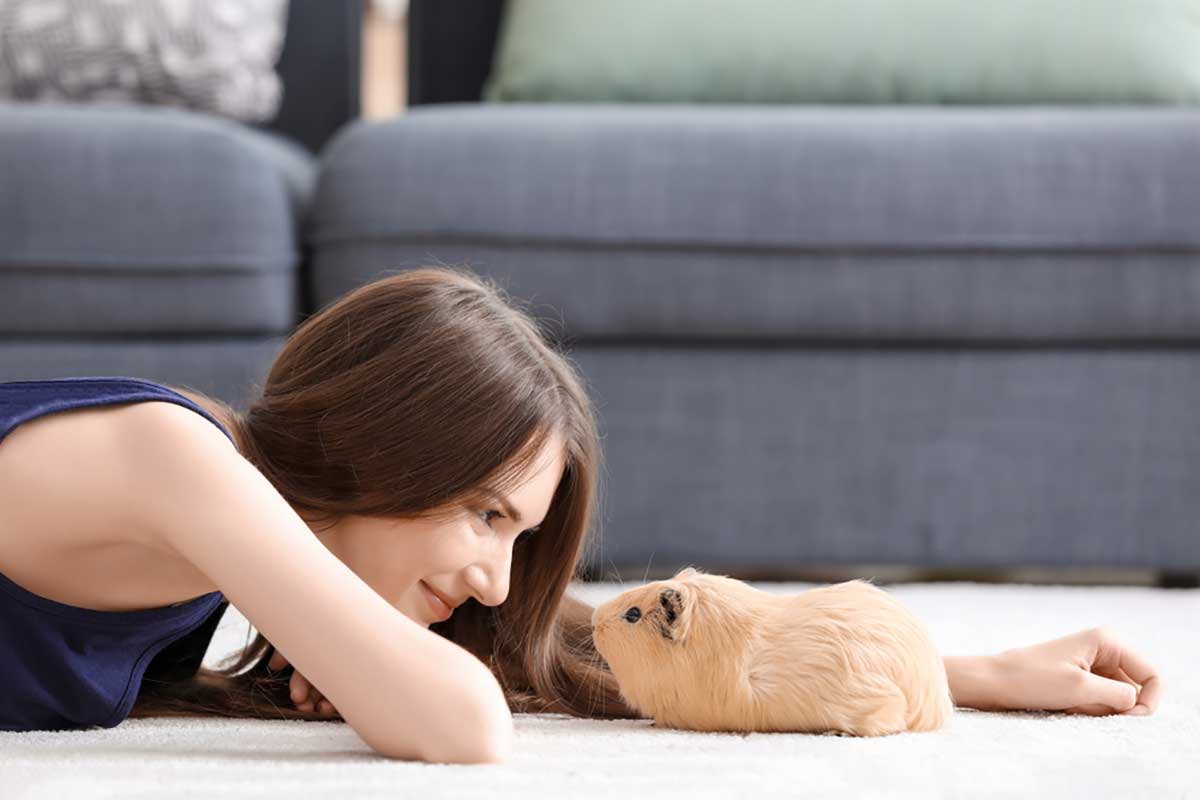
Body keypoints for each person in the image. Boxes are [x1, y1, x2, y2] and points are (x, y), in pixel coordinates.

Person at [0, 266, 1161, 762]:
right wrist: (367, 656)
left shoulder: (219, 548)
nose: (497, 582)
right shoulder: (171, 456)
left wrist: (968, 669)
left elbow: (577, 639)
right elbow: (463, 725)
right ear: (385, 444)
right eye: (486, 514)